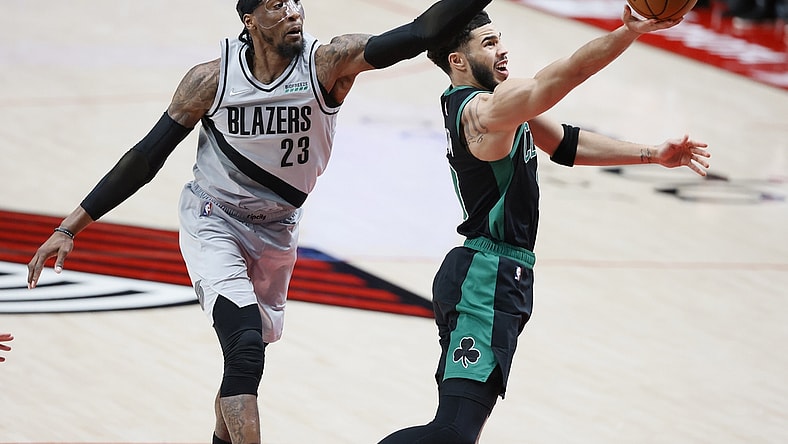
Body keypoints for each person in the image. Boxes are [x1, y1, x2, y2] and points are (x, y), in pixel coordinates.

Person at [25, 0, 493, 442]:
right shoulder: (211, 80)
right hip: (215, 219)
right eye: (274, 4)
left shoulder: (329, 62)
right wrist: (70, 226)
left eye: (294, 1)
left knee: (243, 363)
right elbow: (147, 157)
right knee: (245, 348)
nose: (292, 11)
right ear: (249, 20)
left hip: (277, 228)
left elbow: (417, 33)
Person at [378, 6, 710, 444]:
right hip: (485, 278)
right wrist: (627, 31)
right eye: (489, 43)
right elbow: (560, 78)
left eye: (500, 40)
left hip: (493, 275)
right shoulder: (481, 112)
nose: (502, 50)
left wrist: (653, 154)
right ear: (457, 60)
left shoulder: (500, 108)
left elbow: (565, 143)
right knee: (453, 433)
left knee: (458, 430)